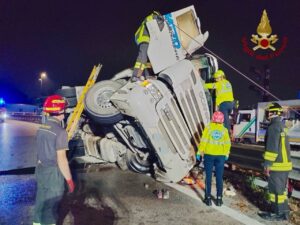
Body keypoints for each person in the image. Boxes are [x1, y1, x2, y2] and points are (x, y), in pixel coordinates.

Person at [33, 95, 75, 225]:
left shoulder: (42, 127)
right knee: (51, 206)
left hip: (40, 169)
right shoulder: (60, 131)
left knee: (41, 201)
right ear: (61, 112)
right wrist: (69, 180)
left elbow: (39, 151)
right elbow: (61, 160)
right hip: (53, 172)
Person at [258, 102, 292, 221]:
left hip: (277, 165)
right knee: (281, 191)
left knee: (275, 191)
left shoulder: (273, 127)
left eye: (268, 112)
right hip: (285, 164)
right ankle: (284, 212)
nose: (267, 114)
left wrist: (267, 164)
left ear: (273, 113)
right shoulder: (282, 126)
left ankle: (277, 213)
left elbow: (272, 148)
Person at [197, 111, 231, 206]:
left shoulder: (208, 128)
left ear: (213, 118)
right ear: (222, 120)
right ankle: (219, 200)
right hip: (220, 157)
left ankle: (207, 199)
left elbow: (203, 141)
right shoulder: (224, 130)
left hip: (209, 155)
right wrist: (226, 153)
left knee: (208, 177)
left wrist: (199, 152)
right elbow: (227, 143)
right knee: (219, 177)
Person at [131, 11, 164, 82]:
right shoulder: (152, 17)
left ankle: (147, 76)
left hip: (146, 39)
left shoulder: (151, 18)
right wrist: (161, 19)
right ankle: (135, 76)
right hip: (144, 38)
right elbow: (159, 26)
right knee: (142, 58)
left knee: (147, 60)